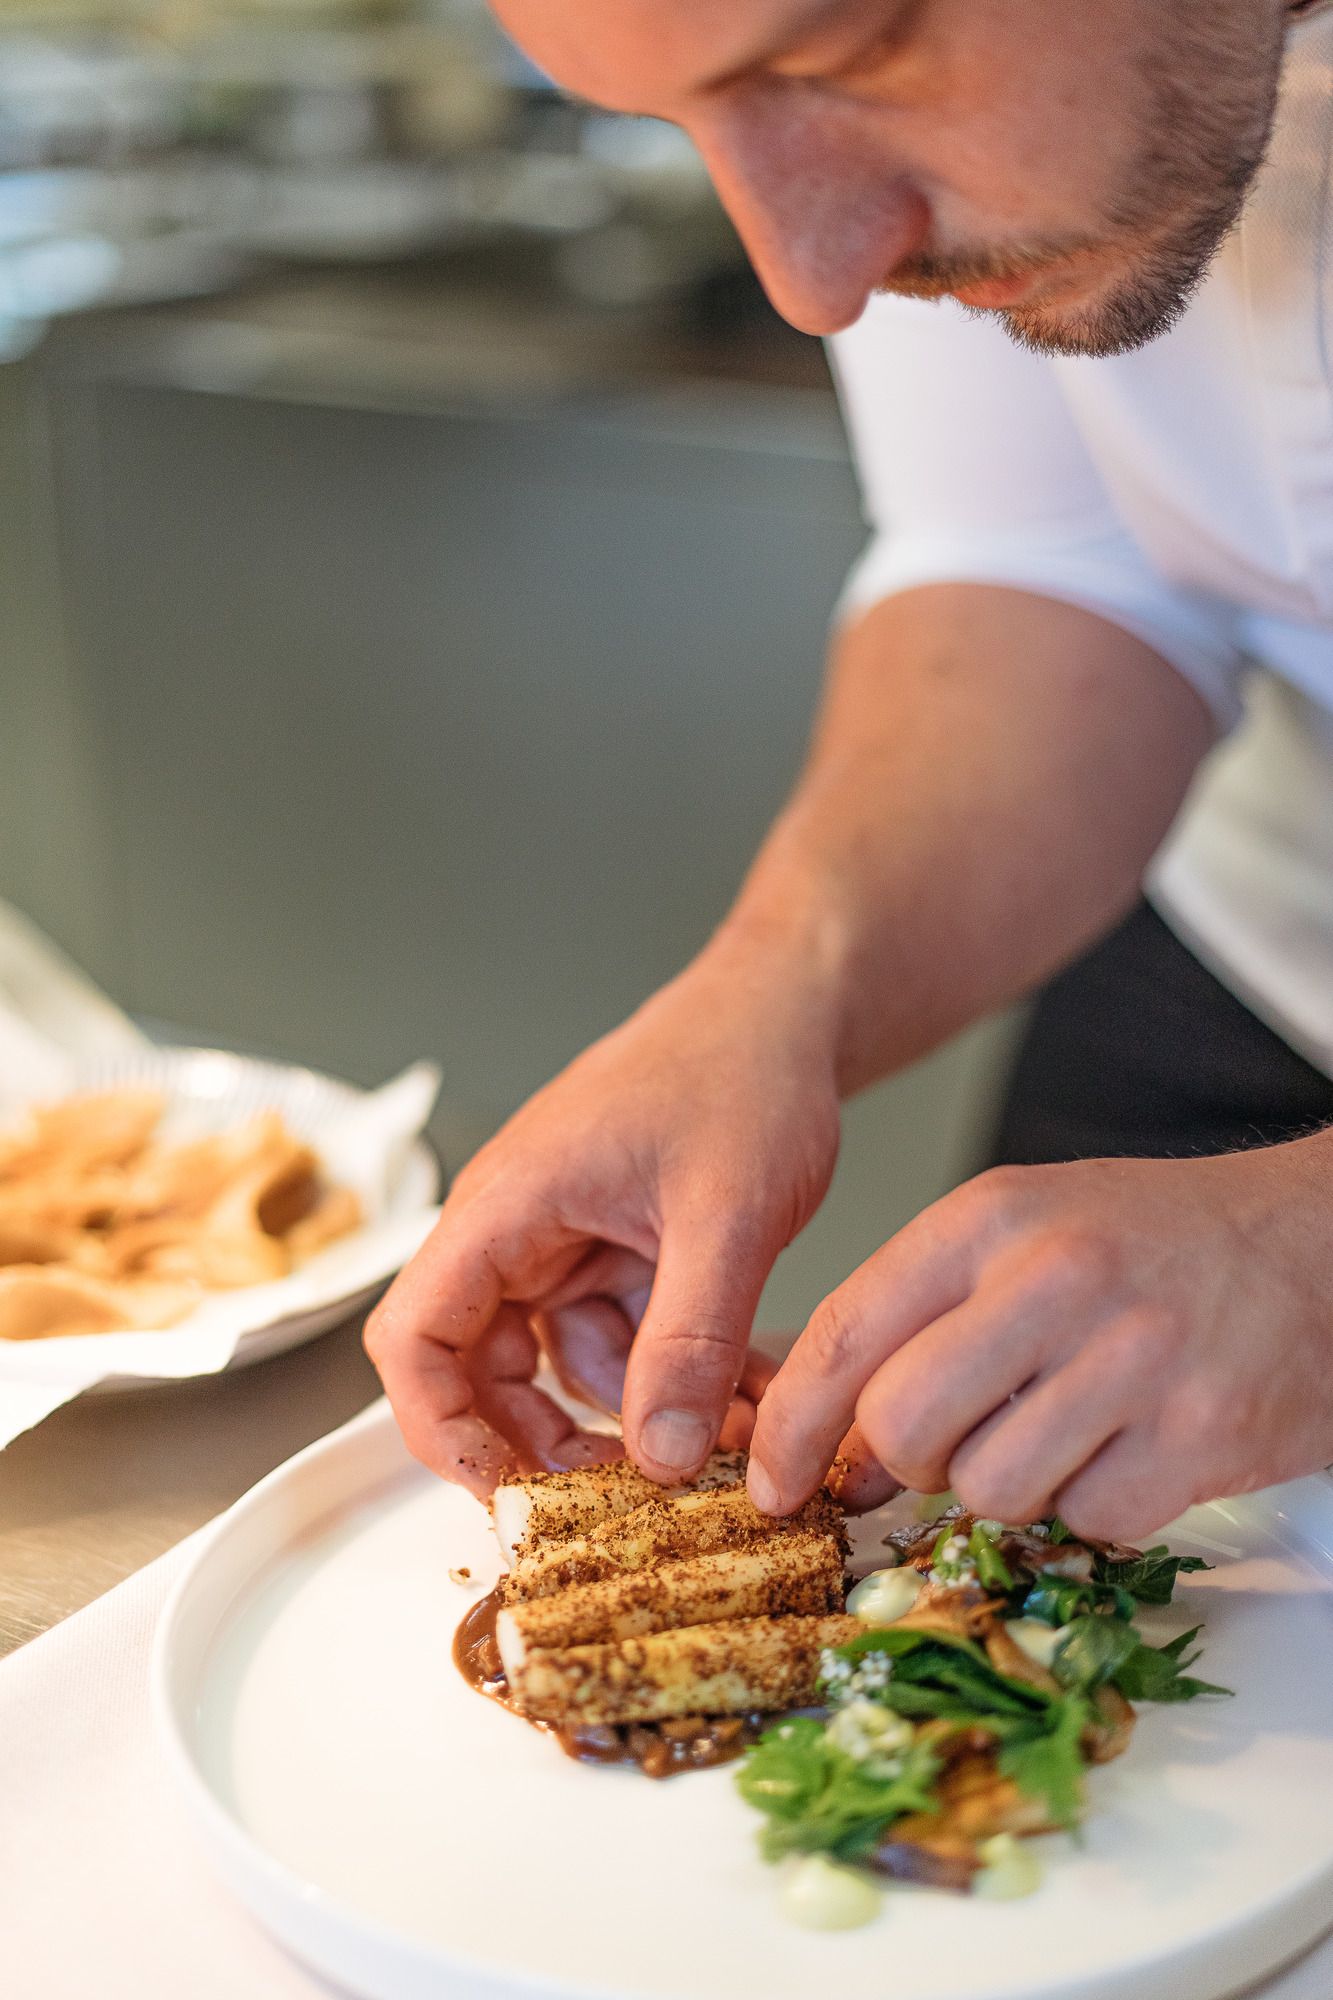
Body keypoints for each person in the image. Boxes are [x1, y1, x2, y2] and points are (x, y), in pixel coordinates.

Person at [366, 0, 1333, 1542]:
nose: (809, 278)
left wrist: (1309, 1256)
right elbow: (1056, 559)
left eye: (840, 57)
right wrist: (776, 987)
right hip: (1258, 940)